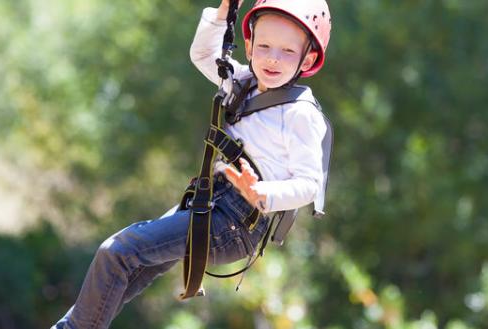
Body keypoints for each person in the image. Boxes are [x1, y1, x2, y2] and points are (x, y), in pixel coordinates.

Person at [52, 0, 332, 327]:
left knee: (117, 252)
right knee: (133, 268)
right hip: (211, 203)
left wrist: (261, 192)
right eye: (265, 45)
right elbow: (202, 54)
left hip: (236, 223)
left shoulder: (300, 114)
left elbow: (309, 184)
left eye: (287, 51)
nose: (272, 58)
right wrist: (224, 12)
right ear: (249, 44)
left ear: (307, 58)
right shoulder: (240, 82)